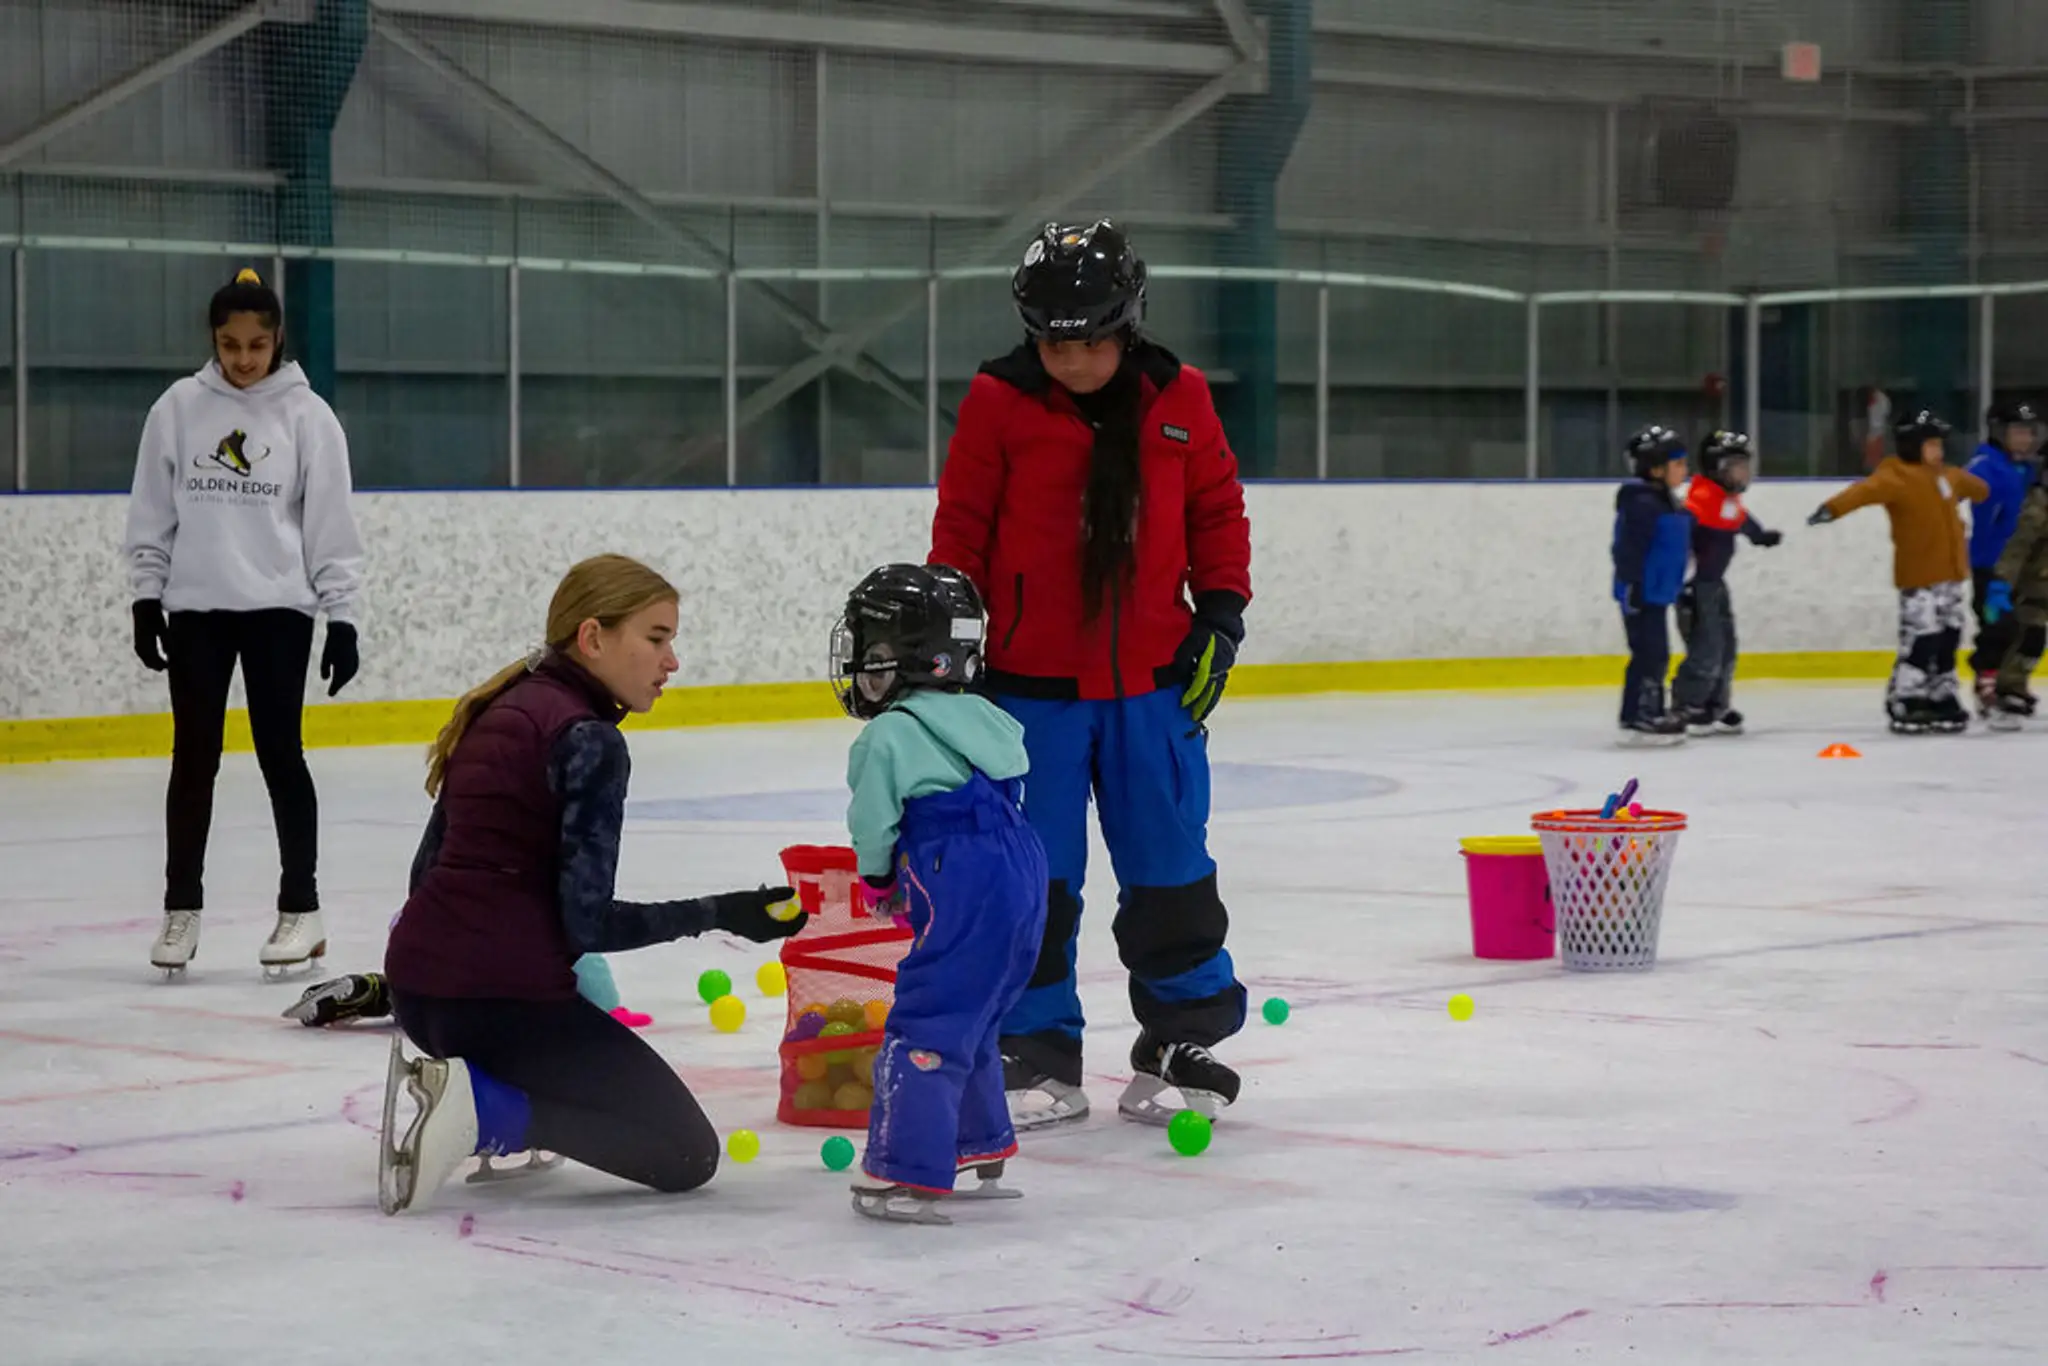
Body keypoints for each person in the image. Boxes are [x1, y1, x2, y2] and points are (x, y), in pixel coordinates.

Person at [929, 220, 1252, 1132]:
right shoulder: (1000, 400)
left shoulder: (1180, 395)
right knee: (1036, 880)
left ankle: (1181, 1038)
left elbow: (1217, 509)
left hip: (1155, 687)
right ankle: (1035, 1048)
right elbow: (962, 524)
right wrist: (956, 644)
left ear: (1129, 323)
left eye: (1091, 340)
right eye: (1054, 341)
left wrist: (1220, 616)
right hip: (1030, 692)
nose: (1071, 359)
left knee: (1170, 869)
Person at [374, 555, 805, 1214]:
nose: (672, 661)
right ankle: (485, 1111)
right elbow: (588, 925)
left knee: (581, 1042)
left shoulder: (500, 708)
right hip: (497, 1001)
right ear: (594, 637)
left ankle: (470, 1081)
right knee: (684, 1152)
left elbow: (424, 873)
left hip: (417, 992)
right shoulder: (589, 740)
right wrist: (723, 913)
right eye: (656, 638)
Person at [123, 267, 364, 980]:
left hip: (279, 612)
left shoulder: (307, 416)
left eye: (257, 345)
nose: (244, 358)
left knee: (279, 755)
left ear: (277, 340)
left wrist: (341, 616)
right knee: (192, 760)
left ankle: (302, 907)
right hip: (198, 608)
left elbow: (330, 524)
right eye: (230, 345)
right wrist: (146, 596)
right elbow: (152, 509)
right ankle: (181, 908)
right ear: (214, 341)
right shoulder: (177, 408)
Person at [830, 564, 1048, 1224]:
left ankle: (908, 1173)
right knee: (975, 1012)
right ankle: (977, 1145)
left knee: (927, 1018)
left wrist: (877, 877)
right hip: (1024, 869)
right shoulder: (989, 717)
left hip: (958, 868)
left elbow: (873, 823)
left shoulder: (887, 735)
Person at [1809, 410, 1989, 734]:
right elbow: (1861, 492)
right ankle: (1907, 695)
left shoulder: (1948, 477)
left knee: (1949, 634)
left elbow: (1980, 488)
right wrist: (1831, 509)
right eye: (1931, 444)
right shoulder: (1895, 478)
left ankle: (1941, 691)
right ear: (1911, 445)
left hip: (1951, 574)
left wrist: (1988, 490)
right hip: (1919, 576)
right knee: (1922, 636)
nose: (1939, 451)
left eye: (1939, 444)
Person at [1671, 430, 1781, 736]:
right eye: (1736, 466)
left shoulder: (1726, 499)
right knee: (1705, 647)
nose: (1743, 473)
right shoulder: (1700, 499)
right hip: (1694, 586)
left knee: (1726, 645)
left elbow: (1740, 519)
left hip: (1715, 584)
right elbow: (1680, 526)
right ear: (1715, 467)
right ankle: (1688, 703)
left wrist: (1759, 536)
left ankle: (1716, 704)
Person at [1611, 426, 1693, 745]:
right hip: (1642, 592)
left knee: (1654, 652)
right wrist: (1632, 584)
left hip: (1658, 591)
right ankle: (1643, 715)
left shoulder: (1667, 502)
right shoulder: (1642, 504)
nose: (1685, 471)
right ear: (1656, 469)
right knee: (1650, 653)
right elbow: (1628, 549)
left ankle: (1640, 713)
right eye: (1679, 465)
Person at [1964, 401, 2042, 716]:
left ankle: (2011, 684)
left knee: (2033, 630)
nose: (2025, 439)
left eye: (2029, 432)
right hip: (1990, 566)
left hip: (2026, 566)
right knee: (2000, 626)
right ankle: (1986, 679)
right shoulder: (1985, 465)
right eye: (2017, 432)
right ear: (1998, 433)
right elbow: (1952, 489)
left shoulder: (2029, 470)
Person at [1981, 464, 2048, 729]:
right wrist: (2001, 584)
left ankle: (2013, 685)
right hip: (2036, 586)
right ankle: (2009, 687)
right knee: (2031, 637)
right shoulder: (2038, 508)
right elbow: (2017, 549)